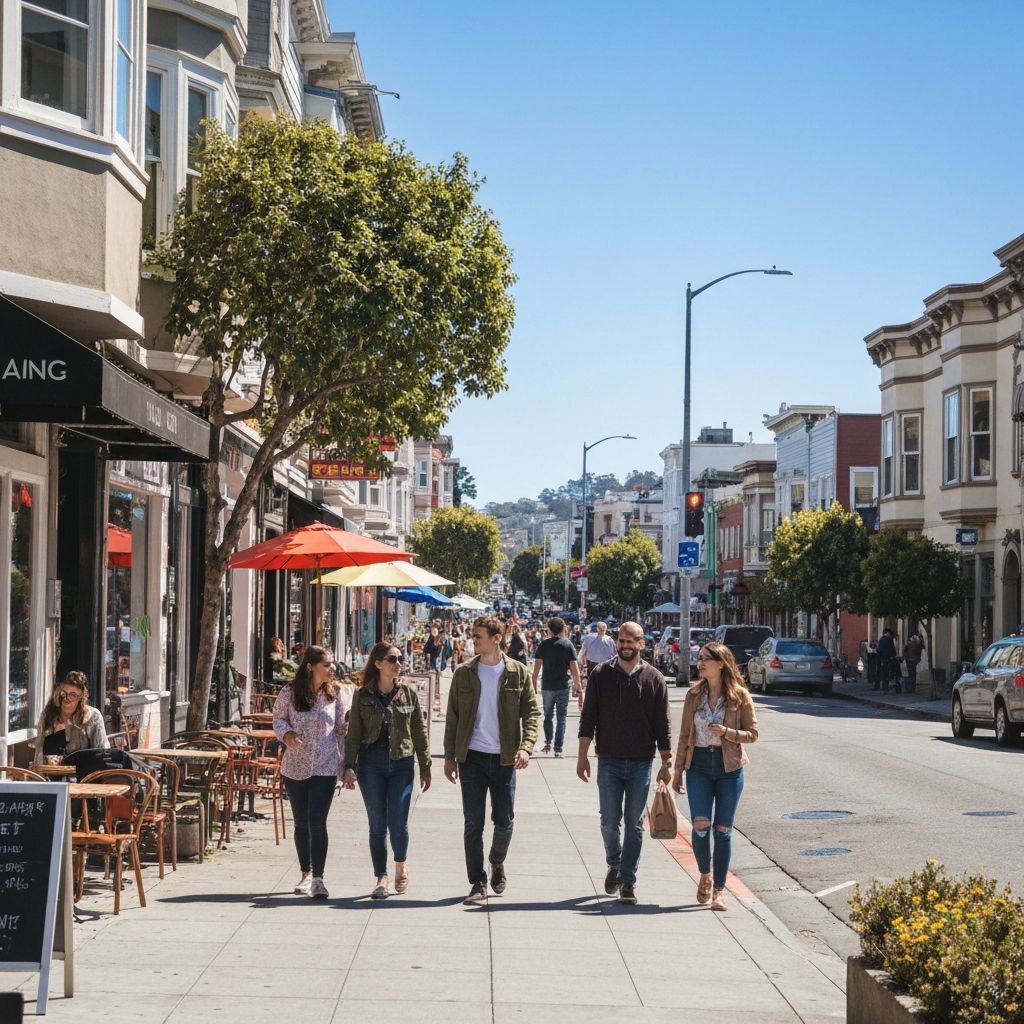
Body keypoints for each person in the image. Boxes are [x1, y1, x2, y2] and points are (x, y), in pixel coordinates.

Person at [444, 614, 539, 905]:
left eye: (478, 636)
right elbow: (453, 717)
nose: (473, 640)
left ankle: (496, 861)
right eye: (473, 636)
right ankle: (477, 882)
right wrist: (449, 757)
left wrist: (526, 747)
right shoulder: (464, 673)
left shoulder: (517, 672)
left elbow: (532, 713)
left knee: (505, 820)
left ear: (496, 639)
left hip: (505, 759)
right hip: (471, 757)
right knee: (473, 822)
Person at [576, 621, 671, 906]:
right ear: (616, 642)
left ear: (642, 644)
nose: (626, 645)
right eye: (622, 640)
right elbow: (588, 717)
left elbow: (662, 725)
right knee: (608, 820)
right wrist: (582, 755)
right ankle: (614, 863)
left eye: (632, 641)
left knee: (635, 824)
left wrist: (667, 762)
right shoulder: (601, 674)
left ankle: (627, 881)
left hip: (642, 761)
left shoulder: (654, 679)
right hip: (609, 760)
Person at [672, 641, 758, 912]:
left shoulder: (739, 696)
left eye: (706, 659)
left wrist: (727, 732)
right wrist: (677, 770)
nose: (701, 663)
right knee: (700, 827)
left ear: (721, 663)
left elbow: (753, 733)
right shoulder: (693, 695)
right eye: (700, 658)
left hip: (729, 768)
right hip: (698, 765)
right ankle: (704, 875)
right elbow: (685, 734)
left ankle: (719, 891)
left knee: (722, 831)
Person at [342, 642, 431, 898]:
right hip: (371, 764)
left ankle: (400, 865)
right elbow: (354, 734)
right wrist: (348, 765)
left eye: (400, 659)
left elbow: (419, 732)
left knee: (398, 822)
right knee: (377, 824)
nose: (398, 664)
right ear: (378, 663)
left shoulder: (408, 694)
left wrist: (425, 765)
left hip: (402, 763)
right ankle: (381, 877)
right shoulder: (363, 695)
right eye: (392, 659)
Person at [273, 646, 350, 899]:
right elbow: (278, 719)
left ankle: (318, 878)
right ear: (311, 666)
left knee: (318, 823)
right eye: (327, 664)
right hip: (295, 766)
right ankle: (305, 874)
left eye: (332, 664)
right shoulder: (289, 692)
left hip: (325, 767)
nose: (332, 669)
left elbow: (340, 730)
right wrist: (287, 734)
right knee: (301, 823)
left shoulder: (334, 694)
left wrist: (346, 765)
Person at [531, 618, 582, 756]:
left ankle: (548, 741)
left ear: (549, 629)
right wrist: (578, 686)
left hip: (547, 685)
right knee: (561, 717)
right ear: (562, 629)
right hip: (563, 685)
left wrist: (533, 684)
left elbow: (536, 668)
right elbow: (574, 669)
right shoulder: (567, 644)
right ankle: (558, 748)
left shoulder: (544, 644)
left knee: (548, 715)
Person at [33, 671, 108, 764]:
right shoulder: (48, 715)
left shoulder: (93, 717)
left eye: (72, 695)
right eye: (63, 694)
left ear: (81, 699)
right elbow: (39, 754)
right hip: (50, 775)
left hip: (82, 776)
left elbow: (103, 753)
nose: (66, 699)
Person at [578, 620, 616, 708]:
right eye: (600, 628)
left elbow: (615, 654)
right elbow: (582, 651)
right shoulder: (589, 638)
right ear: (597, 629)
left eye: (603, 628)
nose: (602, 630)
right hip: (593, 664)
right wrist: (579, 662)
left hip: (606, 664)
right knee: (593, 683)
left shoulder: (609, 640)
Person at [876, 628, 898, 694]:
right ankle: (887, 688)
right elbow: (892, 649)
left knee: (884, 674)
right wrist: (893, 655)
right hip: (889, 659)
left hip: (883, 659)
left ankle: (885, 688)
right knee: (889, 674)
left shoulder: (881, 640)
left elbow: (879, 650)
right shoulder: (889, 640)